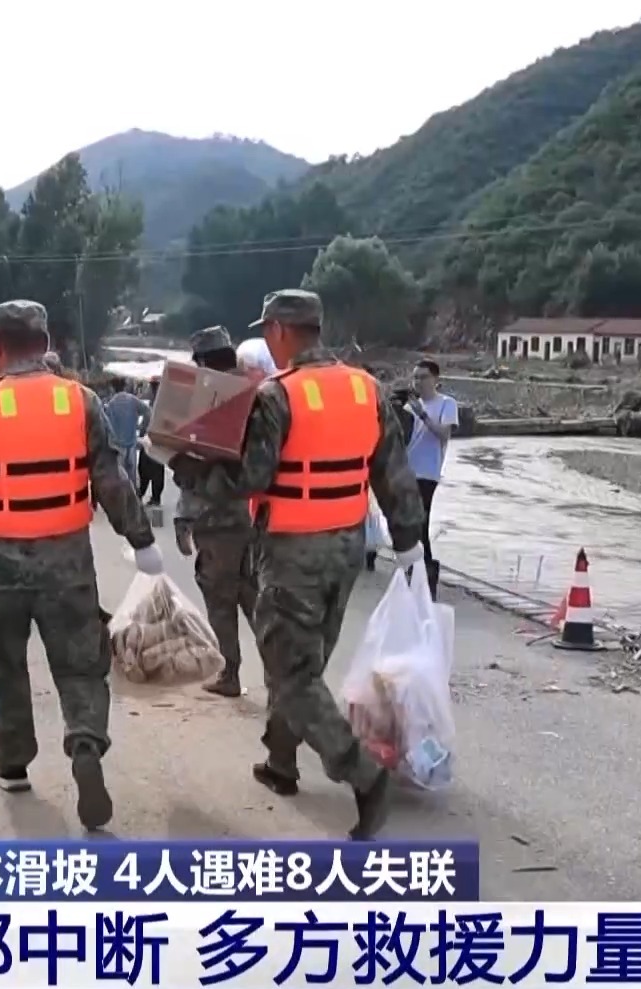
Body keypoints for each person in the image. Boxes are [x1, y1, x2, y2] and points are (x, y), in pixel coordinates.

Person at [169, 288, 427, 840]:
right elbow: (394, 473)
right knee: (302, 664)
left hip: (292, 550)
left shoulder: (277, 395)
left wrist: (186, 467)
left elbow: (248, 478)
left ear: (281, 331)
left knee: (292, 675)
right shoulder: (366, 388)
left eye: (267, 330)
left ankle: (365, 776)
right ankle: (280, 761)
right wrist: (409, 543)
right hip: (347, 547)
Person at [0, 300, 161, 831]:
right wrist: (141, 539)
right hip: (67, 563)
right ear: (46, 344)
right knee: (80, 664)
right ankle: (85, 742)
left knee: (3, 666)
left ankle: (13, 765)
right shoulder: (80, 401)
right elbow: (111, 479)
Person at [174, 327, 260, 699]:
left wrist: (183, 517)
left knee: (221, 600)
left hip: (217, 520)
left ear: (205, 362)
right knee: (254, 597)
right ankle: (282, 675)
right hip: (252, 519)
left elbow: (194, 468)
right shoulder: (258, 393)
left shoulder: (210, 400)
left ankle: (230, 674)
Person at [404, 358, 458, 597]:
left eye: (423, 377)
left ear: (435, 379)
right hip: (405, 470)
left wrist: (423, 415)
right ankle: (416, 570)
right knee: (408, 523)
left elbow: (443, 435)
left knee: (421, 522)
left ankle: (427, 572)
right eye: (415, 377)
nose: (418, 382)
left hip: (428, 473)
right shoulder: (409, 408)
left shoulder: (446, 403)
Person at [101, 375, 150, 490]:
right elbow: (147, 411)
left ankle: (122, 497)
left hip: (117, 446)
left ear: (112, 388)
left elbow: (105, 424)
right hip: (131, 444)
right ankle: (133, 497)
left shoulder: (111, 403)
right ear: (125, 386)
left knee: (120, 478)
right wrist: (142, 427)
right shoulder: (132, 400)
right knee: (131, 477)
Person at [137, 377, 167, 506]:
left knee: (151, 470)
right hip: (153, 442)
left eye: (154, 386)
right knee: (148, 469)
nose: (152, 388)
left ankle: (152, 497)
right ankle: (148, 495)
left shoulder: (160, 404)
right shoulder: (155, 403)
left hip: (155, 441)